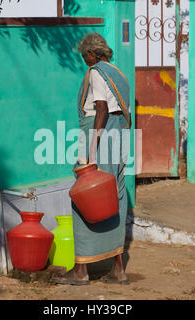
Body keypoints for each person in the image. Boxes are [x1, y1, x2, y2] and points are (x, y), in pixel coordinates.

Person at [51, 33, 132, 285]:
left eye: (84, 55)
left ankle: (81, 270)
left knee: (84, 198)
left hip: (99, 135)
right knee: (114, 198)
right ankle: (118, 269)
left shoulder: (97, 72)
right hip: (118, 137)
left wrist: (92, 148)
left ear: (92, 54)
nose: (84, 59)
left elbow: (102, 108)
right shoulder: (119, 74)